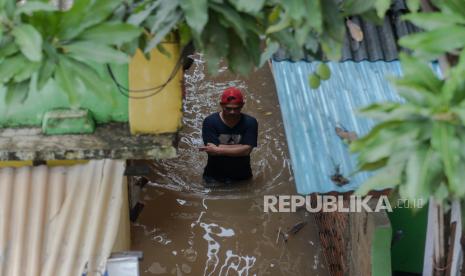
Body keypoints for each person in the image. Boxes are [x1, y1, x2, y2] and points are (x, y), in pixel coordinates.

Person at [199, 87, 258, 186]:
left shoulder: (250, 122)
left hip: (243, 176)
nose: (232, 112)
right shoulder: (210, 122)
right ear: (221, 105)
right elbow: (211, 151)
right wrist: (241, 147)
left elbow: (247, 151)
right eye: (228, 108)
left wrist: (218, 149)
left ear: (242, 105)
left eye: (236, 108)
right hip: (213, 176)